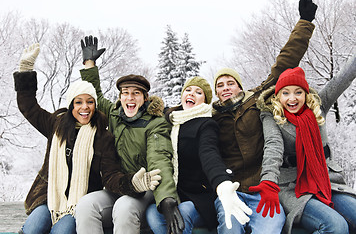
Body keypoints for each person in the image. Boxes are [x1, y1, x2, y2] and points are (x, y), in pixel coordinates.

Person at [211, 0, 317, 233]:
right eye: (220, 85)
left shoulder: (256, 101)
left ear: (239, 86)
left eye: (230, 83)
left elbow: (284, 63)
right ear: (216, 92)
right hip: (232, 191)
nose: (225, 87)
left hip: (263, 189)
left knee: (270, 229)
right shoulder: (212, 117)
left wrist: (305, 22)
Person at [14, 43, 139, 234]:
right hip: (49, 198)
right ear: (71, 105)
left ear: (95, 106)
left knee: (61, 232)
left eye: (90, 102)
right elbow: (28, 106)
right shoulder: (55, 125)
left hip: (79, 203)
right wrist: (25, 70)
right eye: (78, 102)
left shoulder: (102, 137)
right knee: (32, 228)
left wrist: (132, 182)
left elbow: (111, 176)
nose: (84, 107)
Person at [75, 36, 184, 234]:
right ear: (120, 97)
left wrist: (167, 199)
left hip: (146, 189)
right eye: (125, 93)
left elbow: (159, 160)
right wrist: (89, 64)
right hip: (119, 186)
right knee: (86, 205)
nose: (130, 97)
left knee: (124, 207)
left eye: (136, 93)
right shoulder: (115, 116)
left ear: (144, 98)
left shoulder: (155, 123)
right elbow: (96, 96)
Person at [257, 60, 356, 234]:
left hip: (326, 181)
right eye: (285, 93)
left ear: (306, 94)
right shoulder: (271, 116)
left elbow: (342, 79)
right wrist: (268, 182)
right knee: (336, 227)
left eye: (298, 92)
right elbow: (273, 147)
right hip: (293, 187)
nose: (292, 98)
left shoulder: (318, 106)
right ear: (278, 96)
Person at [145, 76, 253, 234]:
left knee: (183, 212)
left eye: (198, 92)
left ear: (205, 100)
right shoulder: (169, 121)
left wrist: (222, 183)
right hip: (175, 191)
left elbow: (209, 154)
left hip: (199, 196)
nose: (191, 94)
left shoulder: (206, 125)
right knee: (152, 215)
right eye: (188, 90)